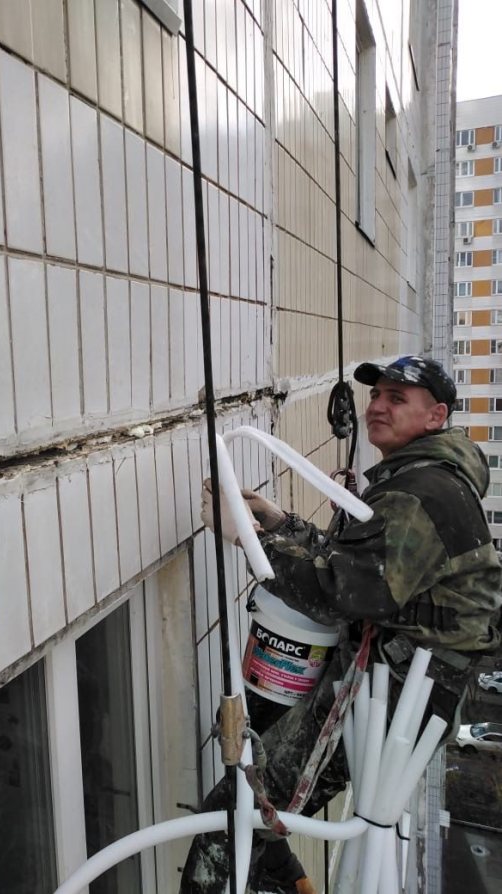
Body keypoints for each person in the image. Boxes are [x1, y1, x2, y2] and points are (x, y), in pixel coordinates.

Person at [180, 355, 502, 894]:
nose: (377, 406)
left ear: (435, 415)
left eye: (397, 399)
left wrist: (245, 536)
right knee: (261, 796)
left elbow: (341, 595)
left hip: (396, 694)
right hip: (395, 682)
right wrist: (281, 524)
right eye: (376, 395)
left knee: (233, 816)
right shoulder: (422, 475)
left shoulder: (424, 493)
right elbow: (355, 563)